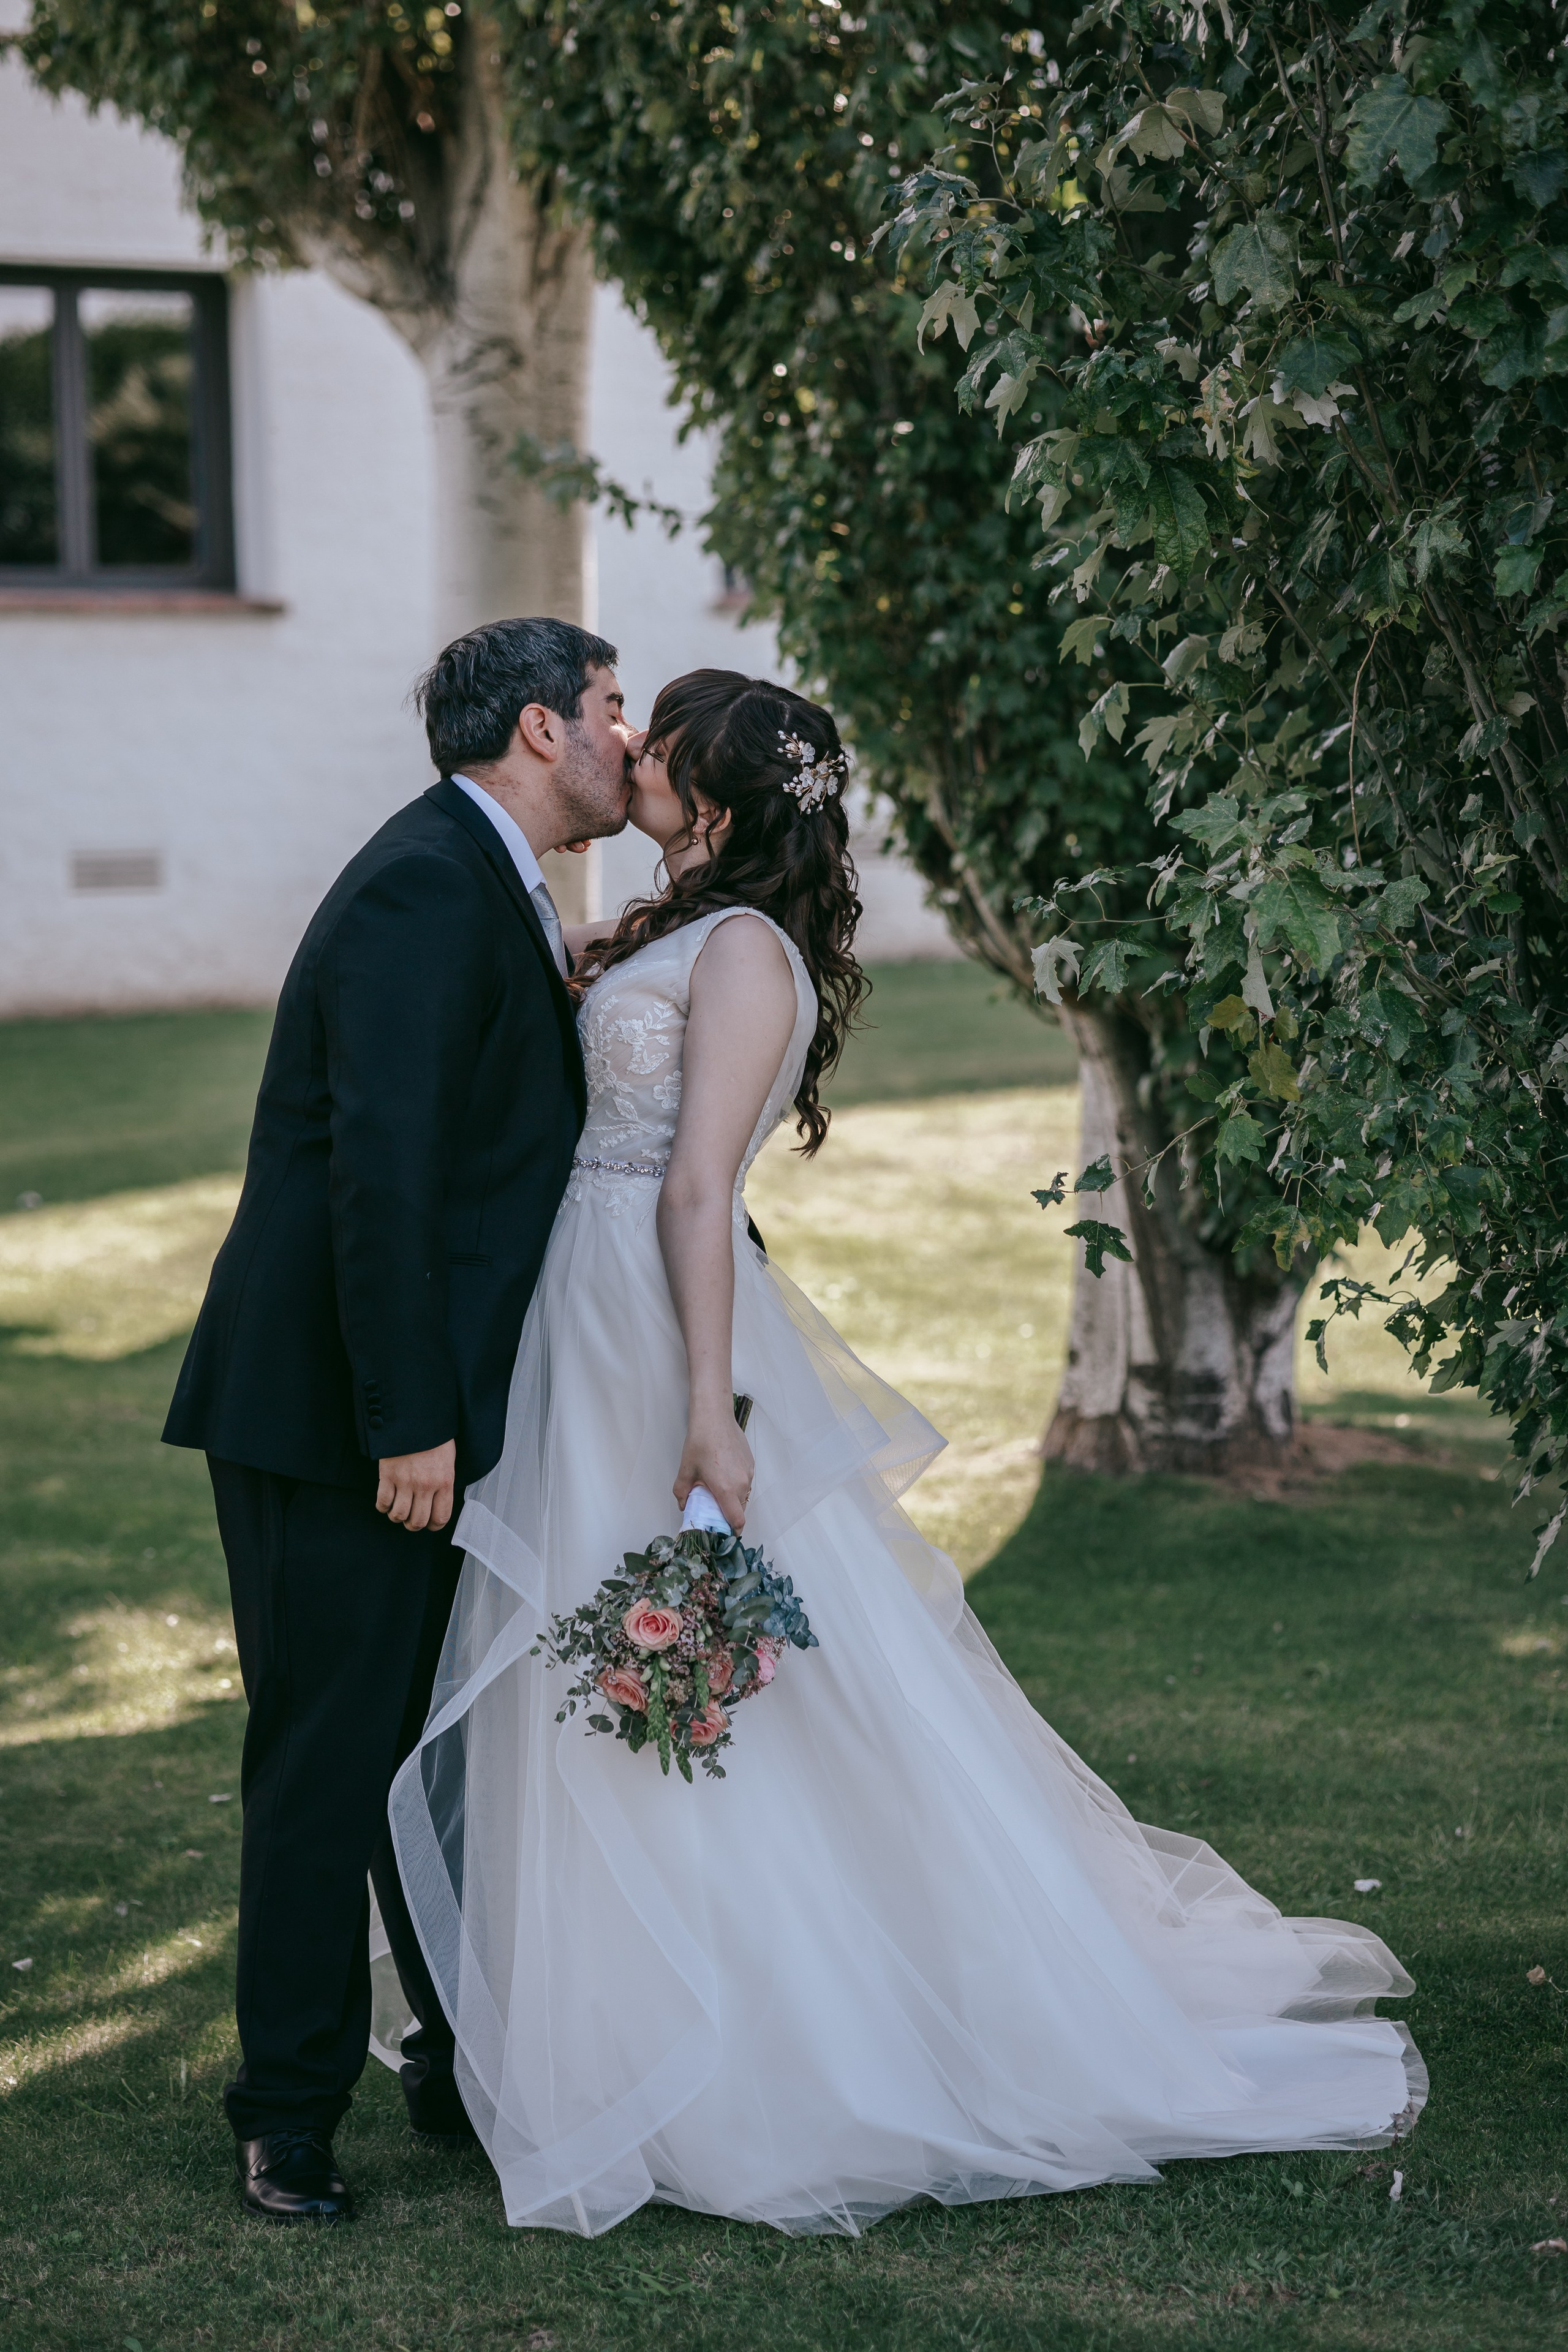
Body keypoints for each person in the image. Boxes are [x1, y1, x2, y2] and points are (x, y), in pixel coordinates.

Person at [385, 669, 1427, 2237]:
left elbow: (692, 1195)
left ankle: (758, 2051)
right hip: (580, 1316)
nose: (634, 753)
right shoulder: (679, 928)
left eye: (658, 741)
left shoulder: (745, 953)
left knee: (683, 1676)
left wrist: (704, 1413)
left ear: (715, 795)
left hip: (653, 1325)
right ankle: (588, 2032)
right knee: (578, 1670)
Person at [163, 617, 633, 2220]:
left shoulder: (482, 876)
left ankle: (449, 2060)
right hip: (333, 1414)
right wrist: (410, 1421)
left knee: (422, 1752)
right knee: (326, 1757)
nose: (629, 743)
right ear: (538, 733)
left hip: (388, 1403)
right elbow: (384, 1177)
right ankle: (286, 2120)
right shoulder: (432, 882)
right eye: (614, 713)